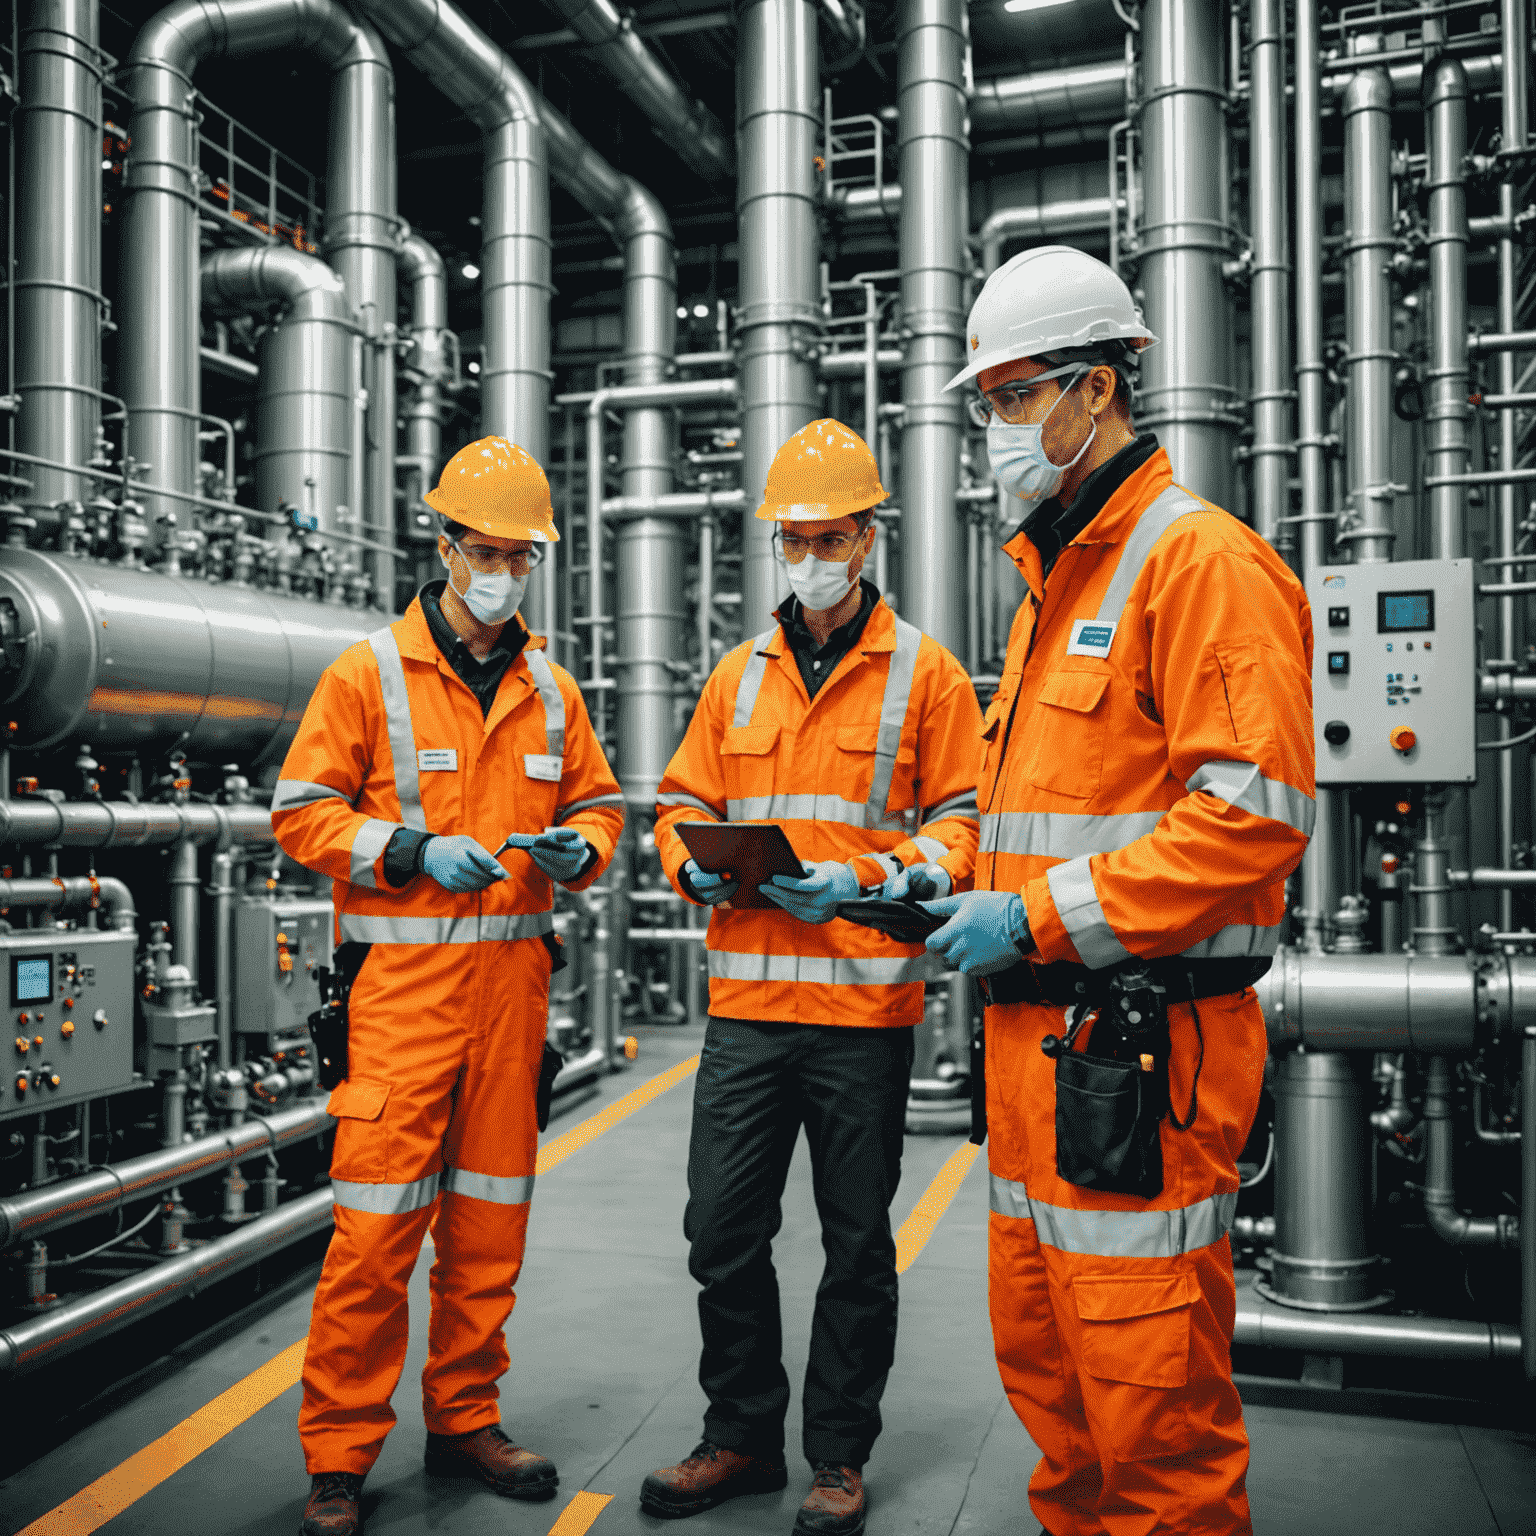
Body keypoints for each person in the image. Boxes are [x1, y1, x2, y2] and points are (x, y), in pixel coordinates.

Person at [901, 247, 1313, 1536]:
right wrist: (937, 878)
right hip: (1039, 1065)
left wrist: (1026, 920)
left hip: (1144, 1057)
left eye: (1016, 397)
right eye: (987, 404)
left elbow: (1249, 824)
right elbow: (1028, 818)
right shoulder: (1048, 590)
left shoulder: (1202, 566)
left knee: (1154, 1419)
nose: (998, 430)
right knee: (1058, 1402)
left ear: (1099, 388)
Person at [271, 436, 626, 1536]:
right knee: (374, 1235)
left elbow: (602, 808)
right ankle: (338, 1452)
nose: (504, 572)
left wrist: (583, 848)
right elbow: (300, 813)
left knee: (487, 1234)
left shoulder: (550, 689)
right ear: (444, 545)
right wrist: (411, 853)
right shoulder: (368, 673)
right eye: (487, 551)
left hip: (510, 1003)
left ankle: (467, 1414)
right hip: (400, 1005)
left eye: (522, 555)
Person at [643, 419, 982, 1535]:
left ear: (869, 536)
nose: (808, 556)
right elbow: (681, 806)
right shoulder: (738, 676)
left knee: (855, 1245)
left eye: (826, 535)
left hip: (860, 1009)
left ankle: (837, 1454)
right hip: (746, 1006)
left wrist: (872, 876)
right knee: (721, 1233)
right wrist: (690, 867)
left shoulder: (925, 673)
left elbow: (966, 822)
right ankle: (738, 1436)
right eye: (791, 538)